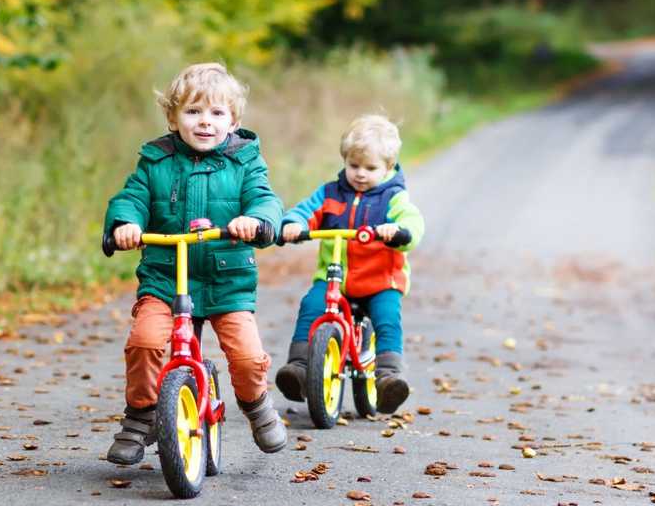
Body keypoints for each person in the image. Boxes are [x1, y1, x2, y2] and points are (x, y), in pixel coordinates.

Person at [103, 62, 286, 464]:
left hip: (227, 282)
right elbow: (130, 198)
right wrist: (126, 223)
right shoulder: (156, 161)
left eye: (217, 113)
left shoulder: (245, 162)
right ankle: (140, 416)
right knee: (145, 342)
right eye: (193, 112)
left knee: (247, 357)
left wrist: (256, 220)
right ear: (173, 118)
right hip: (166, 279)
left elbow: (265, 198)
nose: (205, 122)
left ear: (233, 121)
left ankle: (256, 406)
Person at [276, 114, 425, 414]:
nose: (360, 174)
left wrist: (397, 232)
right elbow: (307, 209)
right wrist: (293, 223)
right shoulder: (331, 193)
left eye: (370, 168)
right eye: (353, 166)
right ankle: (300, 368)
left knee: (386, 315)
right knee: (312, 305)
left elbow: (412, 221)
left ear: (388, 167)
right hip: (336, 280)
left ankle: (387, 376)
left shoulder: (392, 198)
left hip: (380, 281)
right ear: (344, 161)